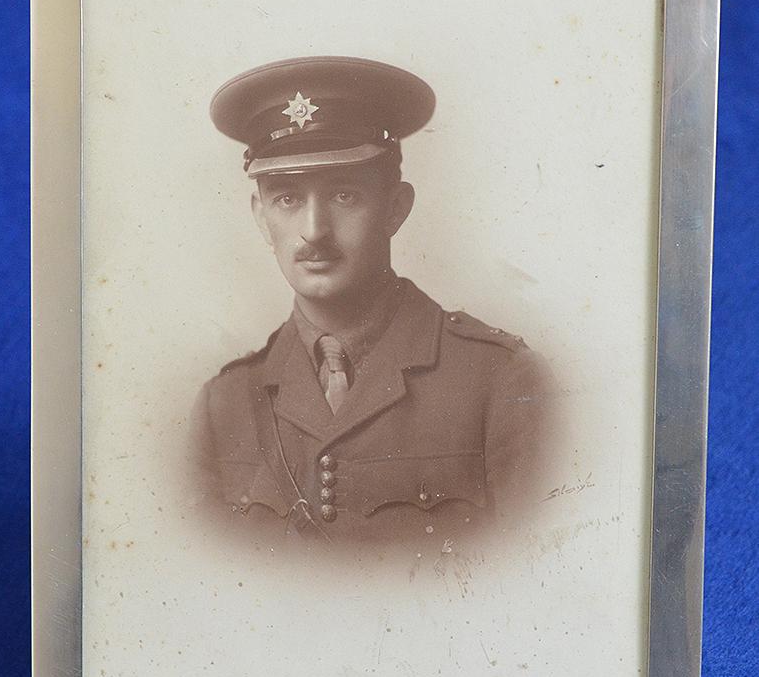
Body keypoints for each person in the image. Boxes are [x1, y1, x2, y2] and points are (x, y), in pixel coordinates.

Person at [191, 56, 551, 548]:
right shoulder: (223, 403)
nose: (314, 232)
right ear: (261, 216)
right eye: (287, 199)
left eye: (343, 195)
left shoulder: (499, 381)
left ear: (395, 208)